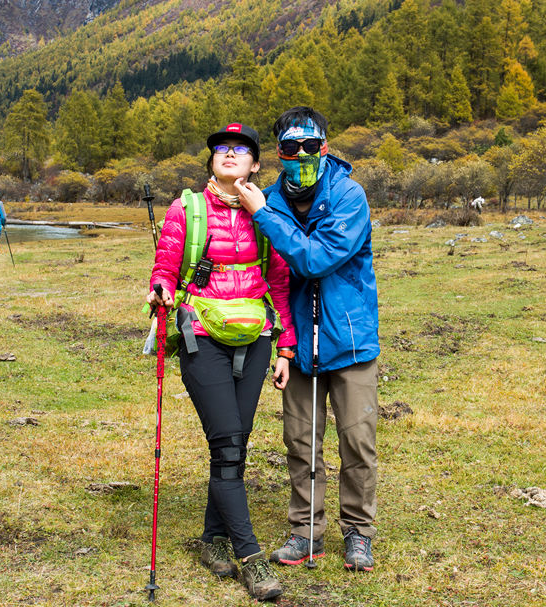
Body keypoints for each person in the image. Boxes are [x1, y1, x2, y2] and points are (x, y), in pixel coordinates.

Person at [146, 122, 296, 601]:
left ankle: (211, 540)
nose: (229, 154)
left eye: (241, 150)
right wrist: (161, 290)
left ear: (255, 164)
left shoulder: (266, 214)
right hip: (202, 336)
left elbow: (280, 284)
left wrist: (286, 348)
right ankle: (250, 558)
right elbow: (165, 267)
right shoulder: (186, 209)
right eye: (221, 149)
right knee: (228, 442)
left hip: (255, 339)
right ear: (212, 161)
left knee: (234, 444)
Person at [234, 107, 380, 572]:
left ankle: (358, 531)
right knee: (301, 441)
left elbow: (315, 260)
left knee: (357, 440)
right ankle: (305, 532)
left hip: (351, 341)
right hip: (298, 343)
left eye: (311, 147)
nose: (302, 155)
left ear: (326, 147)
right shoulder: (270, 199)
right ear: (278, 153)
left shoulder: (349, 197)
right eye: (292, 148)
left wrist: (263, 216)